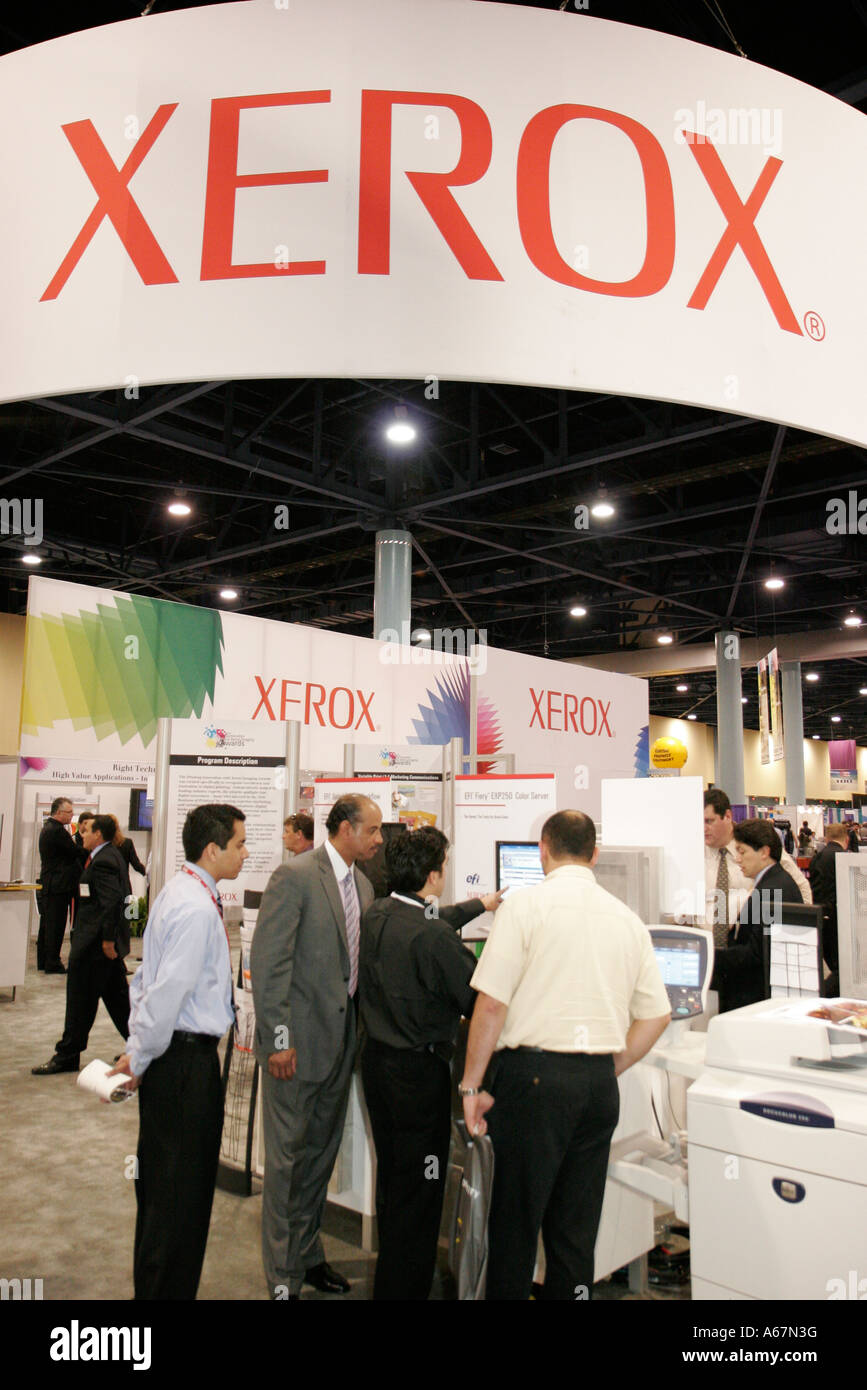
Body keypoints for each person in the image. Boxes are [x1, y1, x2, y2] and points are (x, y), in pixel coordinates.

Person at [460, 810, 671, 1301]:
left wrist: (472, 1086)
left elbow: (491, 1004)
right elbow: (656, 1016)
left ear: (543, 851)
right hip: (596, 1087)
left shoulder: (525, 908)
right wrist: (607, 1067)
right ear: (595, 855)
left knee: (514, 1226)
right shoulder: (627, 919)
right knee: (576, 1233)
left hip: (532, 1081)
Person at [108, 804, 248, 1300]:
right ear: (212, 849)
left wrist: (138, 1051)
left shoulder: (178, 891)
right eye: (239, 844)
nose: (245, 853)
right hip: (185, 1066)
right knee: (179, 1201)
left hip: (172, 1060)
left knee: (163, 1193)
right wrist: (138, 1059)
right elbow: (166, 992)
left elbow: (144, 978)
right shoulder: (192, 907)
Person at [358, 826, 503, 1301]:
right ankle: (407, 1290)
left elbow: (431, 918)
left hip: (378, 1067)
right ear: (435, 874)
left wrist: (482, 904)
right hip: (419, 1078)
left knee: (395, 1182)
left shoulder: (378, 913)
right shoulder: (435, 938)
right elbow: (477, 1001)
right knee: (422, 1192)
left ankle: (390, 1285)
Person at [251, 793, 382, 1299]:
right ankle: (281, 1278)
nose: (377, 840)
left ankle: (307, 1258)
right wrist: (278, 1040)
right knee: (285, 1167)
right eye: (371, 830)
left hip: (339, 1050)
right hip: (295, 1051)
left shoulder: (364, 886)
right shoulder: (297, 876)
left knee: (318, 1163)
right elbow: (270, 964)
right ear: (346, 828)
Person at [32, 814, 131, 1074]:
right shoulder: (105, 856)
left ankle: (67, 1054)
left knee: (80, 1001)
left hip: (95, 946)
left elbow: (111, 902)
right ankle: (142, 1046)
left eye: (86, 831)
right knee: (120, 1002)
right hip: (98, 945)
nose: (82, 835)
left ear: (98, 834)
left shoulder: (105, 861)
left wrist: (108, 940)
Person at [709, 818, 802, 1014]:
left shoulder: (773, 889)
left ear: (764, 852)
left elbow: (758, 952)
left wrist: (710, 956)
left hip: (757, 1000)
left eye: (742, 852)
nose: (738, 859)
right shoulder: (772, 882)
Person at [703, 790, 811, 950]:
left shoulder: (757, 843)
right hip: (707, 955)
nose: (703, 828)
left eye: (709, 821)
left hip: (749, 955)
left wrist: (800, 936)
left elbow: (800, 888)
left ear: (727, 816)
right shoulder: (694, 852)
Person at [36, 796, 79, 973]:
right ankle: (52, 963)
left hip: (51, 884)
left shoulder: (48, 828)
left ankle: (44, 961)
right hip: (58, 886)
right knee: (55, 926)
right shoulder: (57, 831)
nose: (71, 815)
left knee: (47, 925)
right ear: (59, 812)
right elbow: (74, 851)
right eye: (69, 812)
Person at [809, 822, 850, 992]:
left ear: (826, 838)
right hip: (839, 918)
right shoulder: (844, 858)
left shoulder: (817, 857)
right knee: (843, 969)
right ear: (846, 839)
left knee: (834, 965)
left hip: (819, 916)